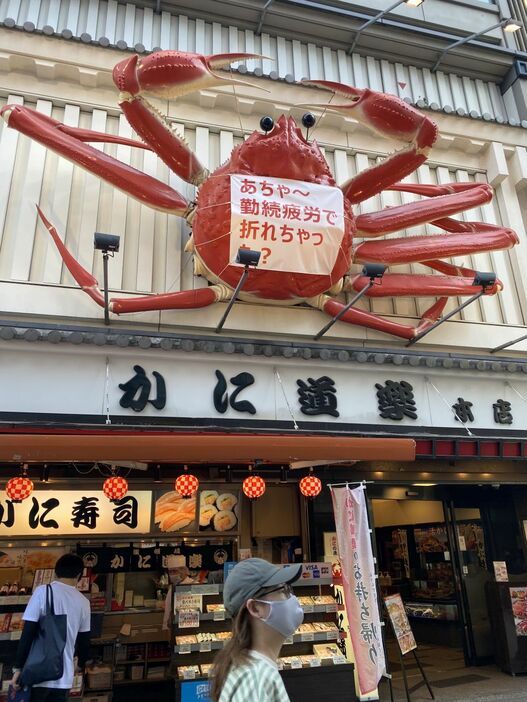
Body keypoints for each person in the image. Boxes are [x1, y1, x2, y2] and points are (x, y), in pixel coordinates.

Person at [211, 558, 303, 702]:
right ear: (255, 608)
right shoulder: (255, 679)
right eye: (284, 590)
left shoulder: (251, 670)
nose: (292, 598)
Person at [11, 553, 91, 702]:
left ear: (56, 572)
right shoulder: (83, 602)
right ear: (79, 575)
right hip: (64, 676)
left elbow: (27, 633)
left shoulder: (43, 592)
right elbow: (85, 641)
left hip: (37, 673)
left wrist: (18, 668)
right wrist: (79, 665)